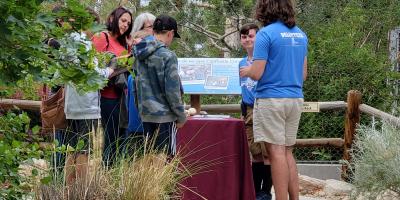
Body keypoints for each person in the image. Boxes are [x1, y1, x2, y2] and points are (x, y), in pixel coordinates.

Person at [239, 0, 308, 199]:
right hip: (295, 99)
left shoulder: (265, 34)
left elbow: (258, 72)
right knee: (287, 152)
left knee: (275, 153)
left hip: (271, 99)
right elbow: (303, 74)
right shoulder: (301, 34)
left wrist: (248, 70)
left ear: (265, 8)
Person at [133, 14, 186, 156]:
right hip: (165, 117)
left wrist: (140, 109)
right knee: (164, 159)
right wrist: (181, 116)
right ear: (170, 33)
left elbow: (135, 86)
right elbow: (172, 91)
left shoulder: (138, 53)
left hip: (145, 114)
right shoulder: (168, 56)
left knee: (148, 158)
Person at [92, 6, 133, 166]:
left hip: (122, 96)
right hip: (106, 96)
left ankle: (114, 171)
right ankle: (107, 172)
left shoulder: (123, 43)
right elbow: (93, 68)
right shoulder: (102, 37)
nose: (125, 25)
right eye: (123, 20)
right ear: (112, 19)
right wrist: (116, 64)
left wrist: (130, 48)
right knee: (111, 136)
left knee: (121, 136)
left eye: (129, 23)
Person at [239, 23, 272, 200]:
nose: (248, 39)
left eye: (251, 36)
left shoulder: (264, 60)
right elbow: (243, 89)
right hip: (249, 111)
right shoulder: (241, 63)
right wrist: (243, 111)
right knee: (255, 153)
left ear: (258, 37)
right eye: (244, 37)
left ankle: (266, 192)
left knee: (268, 152)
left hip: (264, 108)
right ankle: (255, 191)